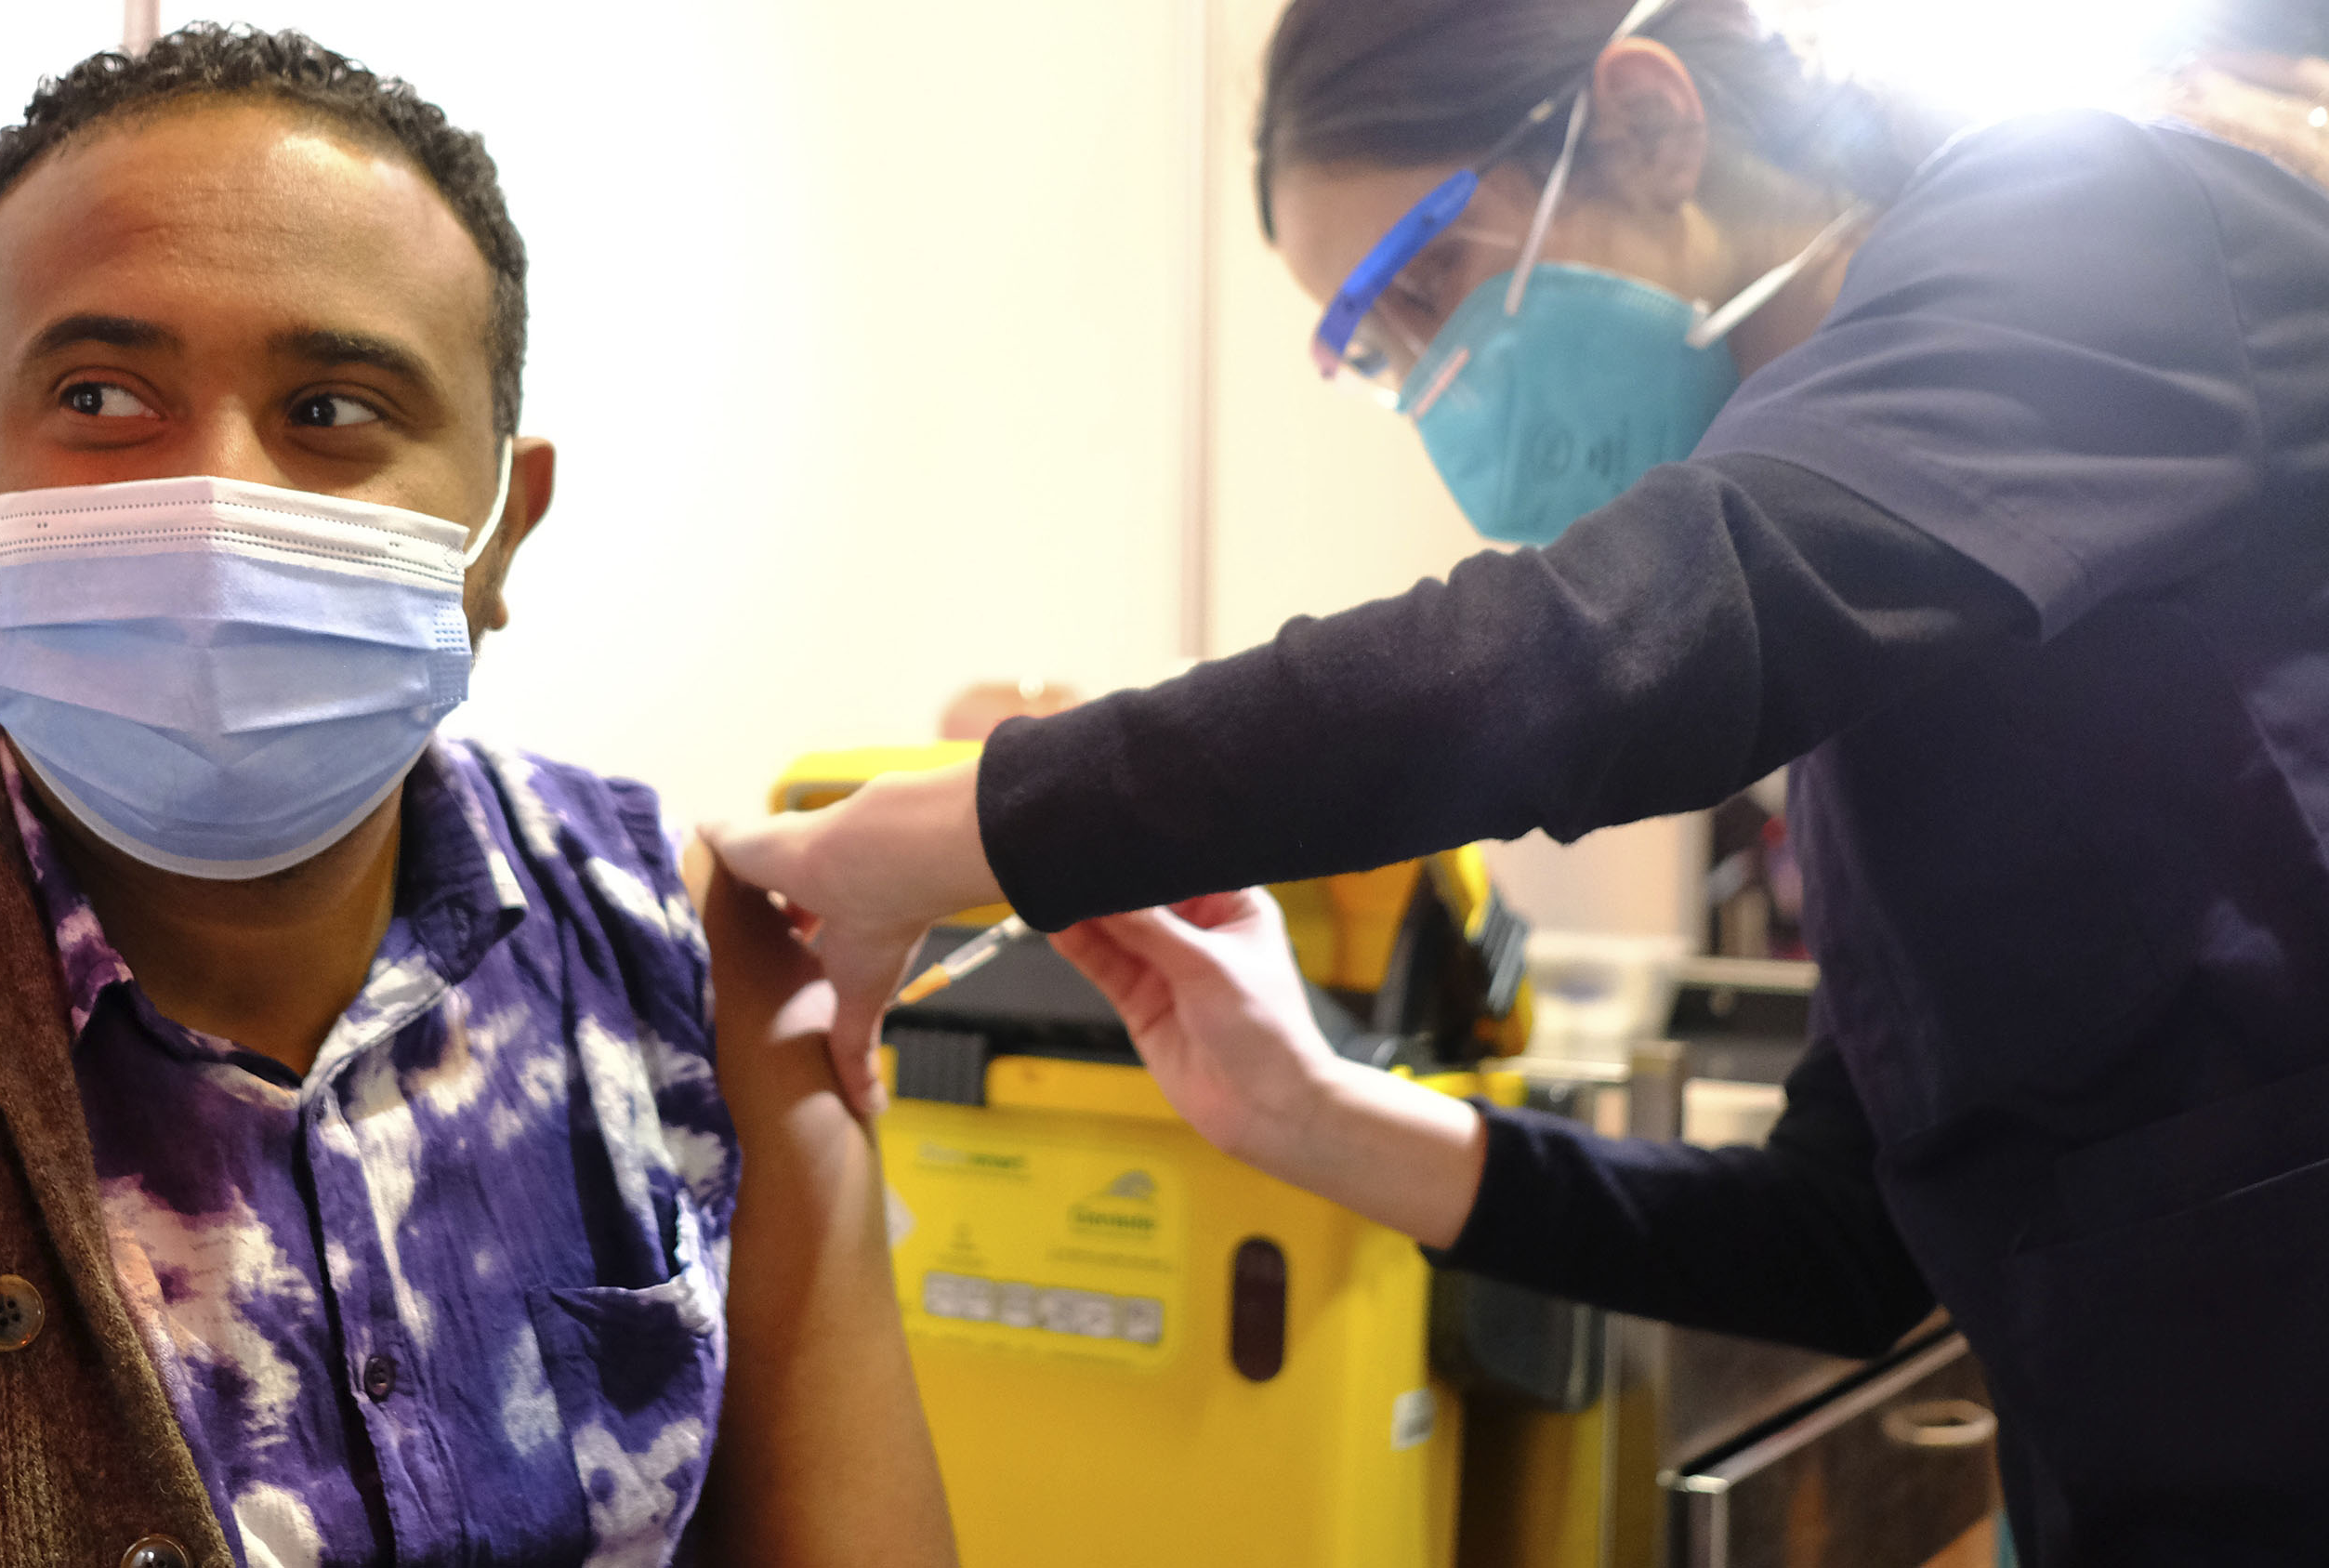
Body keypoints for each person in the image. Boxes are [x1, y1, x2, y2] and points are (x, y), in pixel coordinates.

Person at [715, 2, 2329, 1561]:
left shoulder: (2098, 224)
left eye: (1425, 290)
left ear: (1645, 123)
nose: (1431, 387)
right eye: (1376, 350)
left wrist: (985, 820)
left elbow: (1623, 642)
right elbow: (1848, 1242)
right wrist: (1314, 1110)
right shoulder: (1882, 676)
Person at [0, 27, 952, 1568]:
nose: (220, 499)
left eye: (335, 411)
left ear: (502, 530)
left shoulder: (677, 961)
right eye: (98, 395)